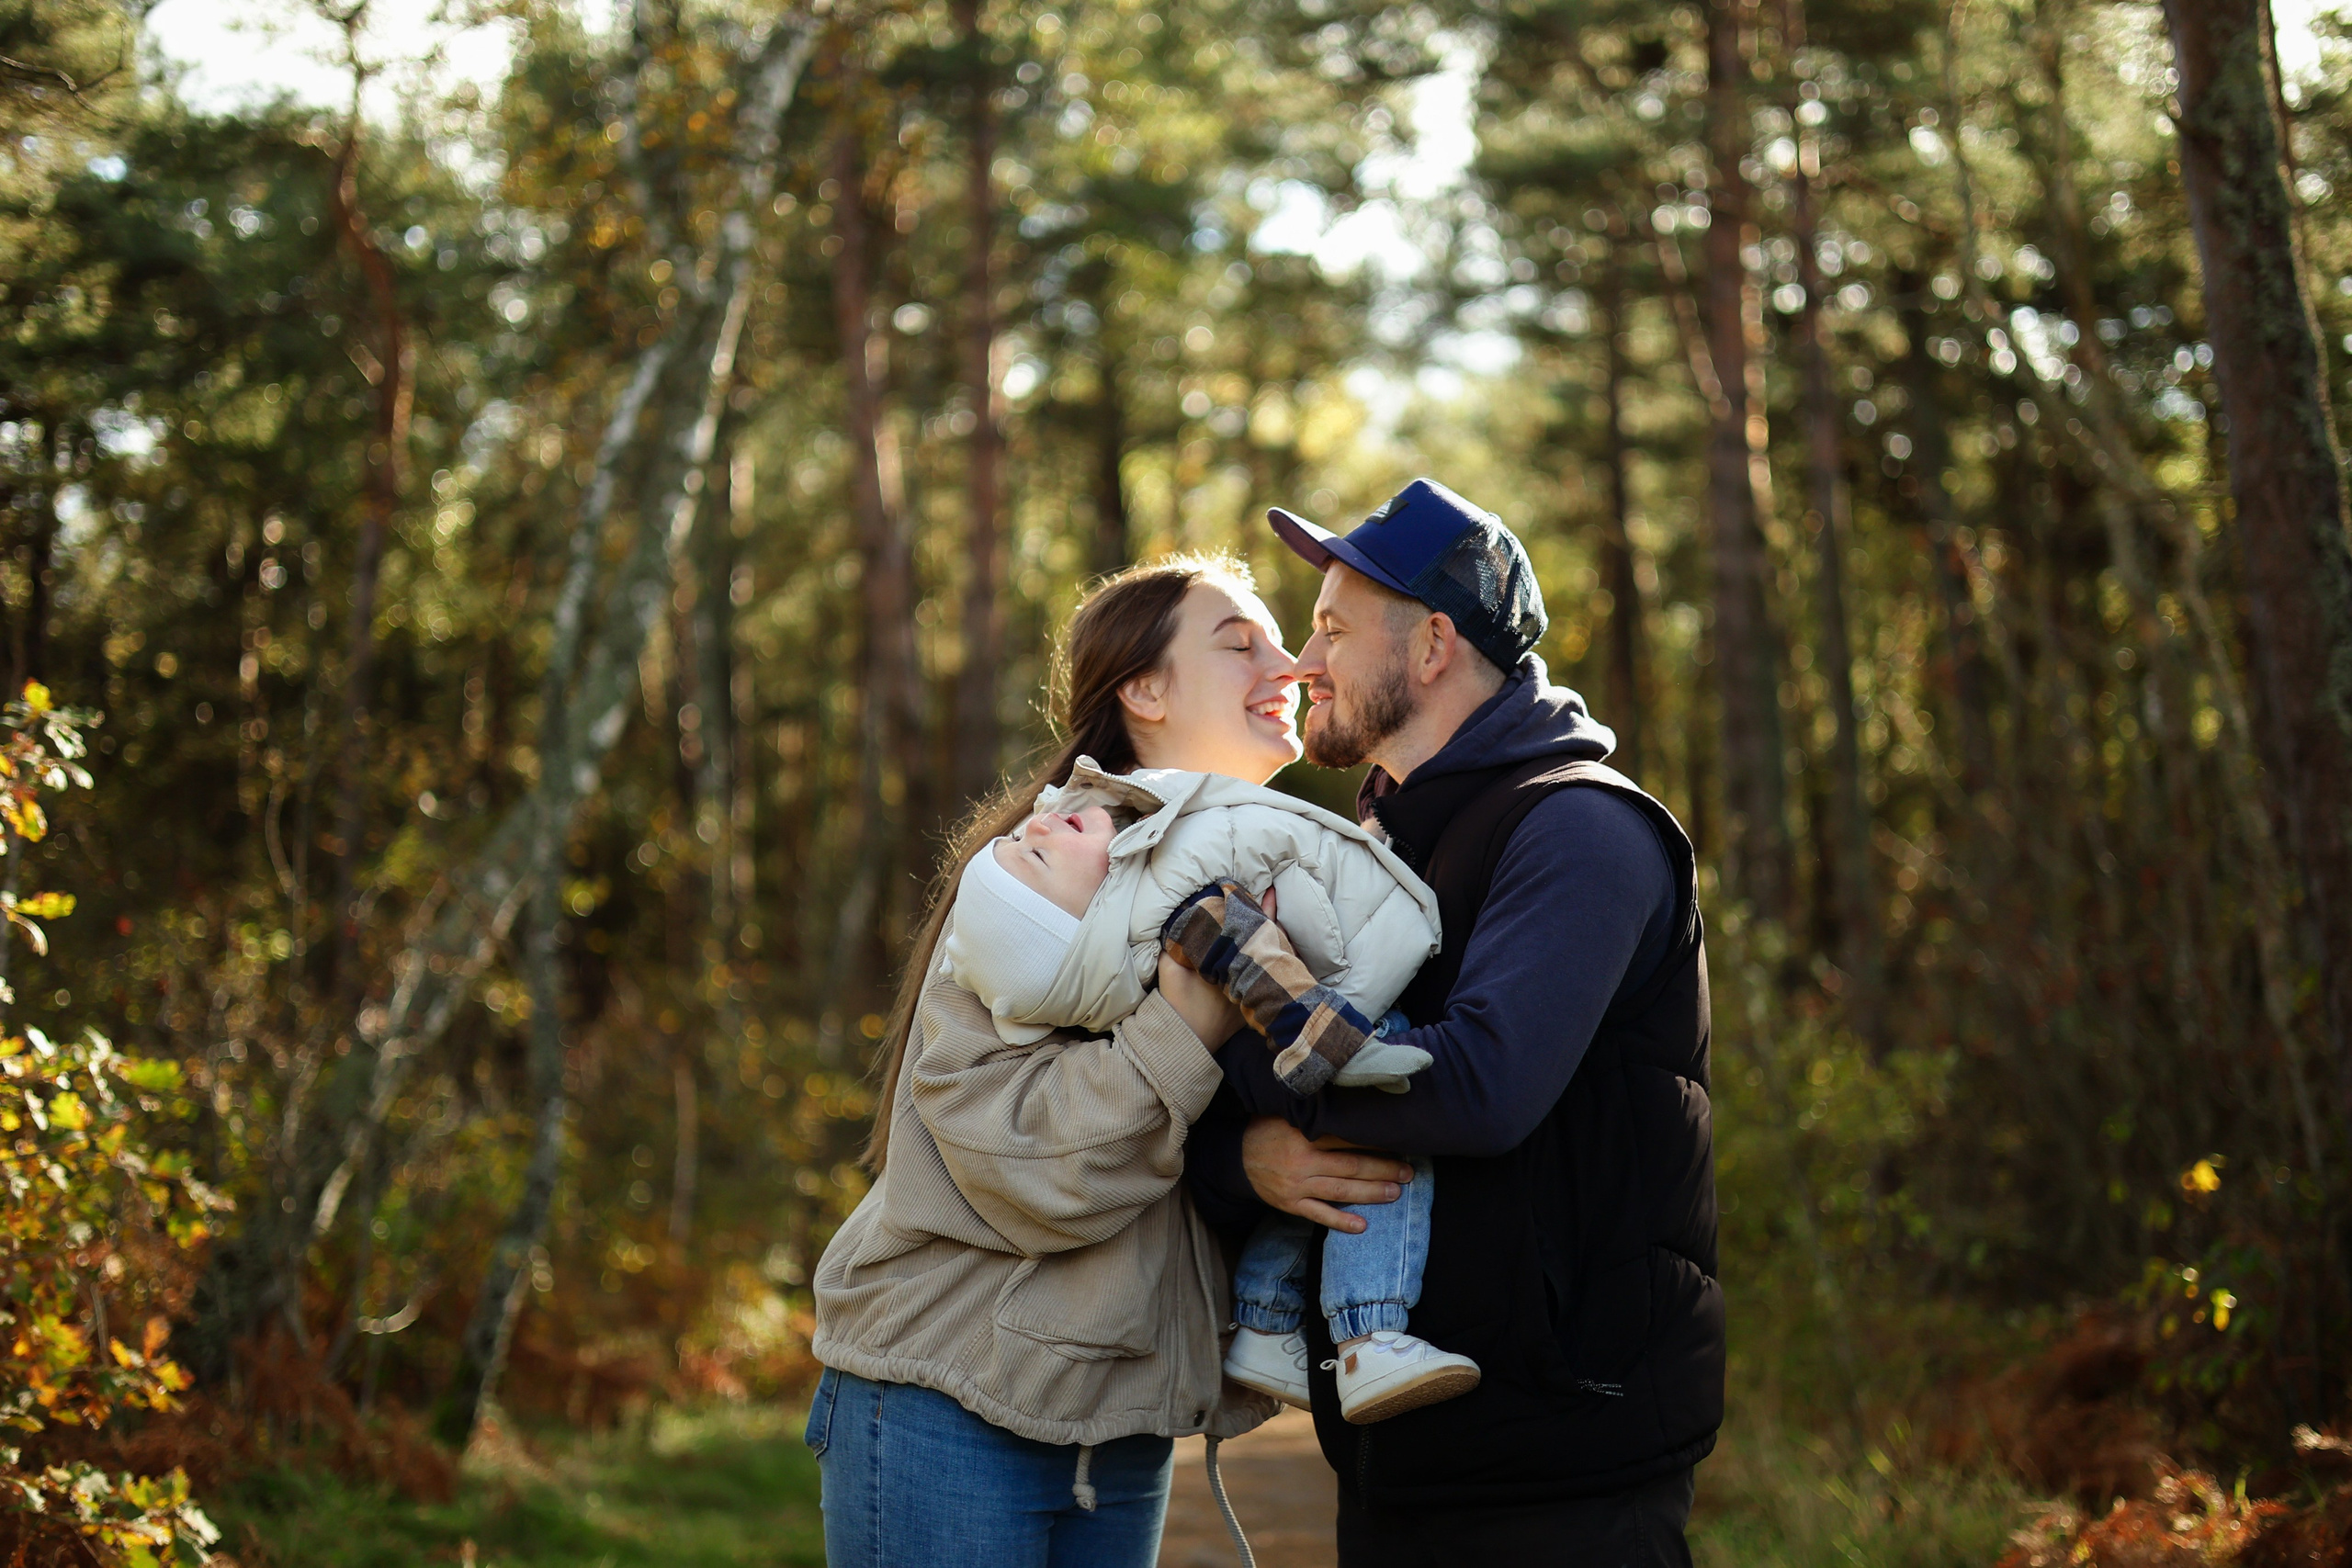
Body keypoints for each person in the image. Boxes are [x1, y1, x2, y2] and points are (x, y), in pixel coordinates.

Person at [806, 554, 1392, 1568]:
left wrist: (1255, 1158)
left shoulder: (1261, 875)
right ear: (1145, 691)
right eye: (1238, 640)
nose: (1293, 662)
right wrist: (1184, 1021)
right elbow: (1028, 1160)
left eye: (1282, 637)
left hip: (1118, 1421)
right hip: (954, 1397)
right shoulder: (1044, 869)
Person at [1196, 479, 1722, 1567]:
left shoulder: (1578, 828)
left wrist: (1265, 1067)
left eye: (1333, 628)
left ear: (1432, 646)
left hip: (1562, 1469)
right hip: (1408, 1458)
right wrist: (1245, 1158)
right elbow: (1261, 1077)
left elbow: (1476, 1088)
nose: (1302, 660)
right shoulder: (1386, 841)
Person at [942, 757, 1486, 1423]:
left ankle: (1263, 1314)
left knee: (1316, 1155)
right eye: (1036, 858)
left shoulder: (1145, 866)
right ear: (1080, 932)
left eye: (1024, 834)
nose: (1039, 827)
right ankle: (1367, 1334)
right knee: (1388, 1123)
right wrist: (1341, 1048)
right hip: (1333, 1021)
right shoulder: (1163, 907)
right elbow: (1249, 951)